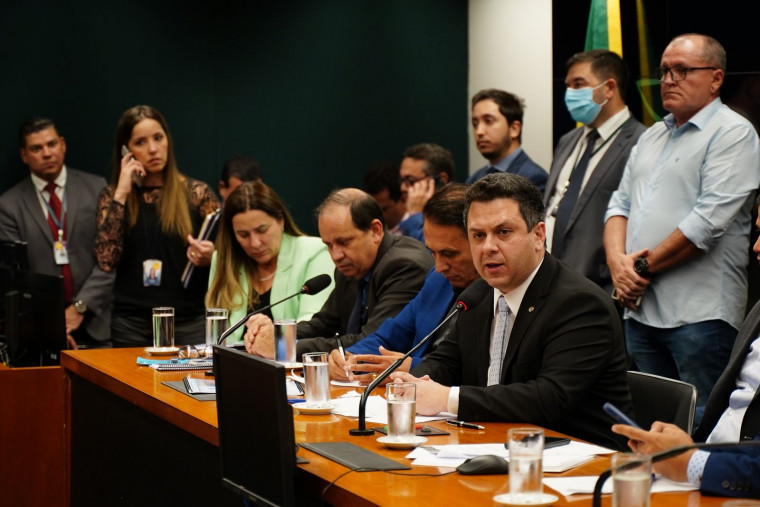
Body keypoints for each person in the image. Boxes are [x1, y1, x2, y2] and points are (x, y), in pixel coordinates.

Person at [392, 173, 632, 451]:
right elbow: (447, 362)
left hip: (581, 458)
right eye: (478, 236)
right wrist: (413, 384)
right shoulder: (478, 294)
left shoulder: (580, 304)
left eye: (503, 233)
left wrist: (446, 399)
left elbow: (547, 398)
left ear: (538, 235)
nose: (488, 247)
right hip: (498, 443)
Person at [604, 34, 760, 420]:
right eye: (664, 71)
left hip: (701, 317)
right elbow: (619, 203)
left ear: (716, 79)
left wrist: (638, 269)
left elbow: (707, 223)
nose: (668, 80)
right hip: (639, 311)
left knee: (699, 429)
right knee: (645, 427)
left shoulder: (734, 133)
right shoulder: (654, 134)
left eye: (682, 70)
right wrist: (617, 265)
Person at [611, 199, 760, 498]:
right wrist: (675, 436)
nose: (755, 247)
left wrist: (692, 463)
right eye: (757, 232)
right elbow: (736, 408)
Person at [242, 188, 433, 359]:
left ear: (375, 230)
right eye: (329, 245)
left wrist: (285, 348)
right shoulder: (350, 267)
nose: (336, 255)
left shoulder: (404, 266)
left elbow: (372, 343)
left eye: (344, 242)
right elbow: (323, 324)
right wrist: (277, 334)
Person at [95, 105, 221, 347]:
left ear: (168, 141)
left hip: (187, 320)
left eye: (158, 138)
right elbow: (105, 260)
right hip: (130, 322)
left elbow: (229, 254)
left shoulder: (196, 193)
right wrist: (121, 192)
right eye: (140, 142)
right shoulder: (112, 197)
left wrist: (211, 256)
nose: (153, 149)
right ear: (126, 150)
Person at [329, 184, 480, 382]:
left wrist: (411, 367)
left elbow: (479, 373)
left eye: (449, 254)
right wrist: (349, 358)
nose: (439, 266)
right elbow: (389, 335)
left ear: (479, 241)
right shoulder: (438, 279)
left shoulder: (498, 289)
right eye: (433, 252)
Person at [0, 117, 114, 349]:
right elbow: (17, 276)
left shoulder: (97, 188)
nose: (46, 153)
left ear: (62, 144)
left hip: (98, 321)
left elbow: (111, 258)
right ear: (24, 155)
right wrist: (54, 323)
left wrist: (80, 307)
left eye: (52, 144)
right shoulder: (8, 205)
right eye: (36, 148)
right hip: (41, 328)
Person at [544, 50, 646, 291]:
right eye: (568, 85)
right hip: (549, 279)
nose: (570, 93)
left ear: (609, 87)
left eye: (579, 84)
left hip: (600, 285)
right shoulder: (568, 140)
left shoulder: (642, 141)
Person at [206, 181, 334, 343]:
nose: (255, 243)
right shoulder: (222, 260)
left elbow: (316, 326)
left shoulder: (314, 252)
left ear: (280, 220)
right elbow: (217, 336)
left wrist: (275, 331)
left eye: (262, 230)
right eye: (243, 235)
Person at [465, 89, 547, 194]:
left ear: (514, 129)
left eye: (488, 121)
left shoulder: (533, 179)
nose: (479, 131)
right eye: (475, 123)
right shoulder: (474, 180)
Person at [397, 143, 455, 242]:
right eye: (402, 180)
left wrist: (415, 216)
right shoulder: (408, 214)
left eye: (410, 180)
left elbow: (429, 255)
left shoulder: (457, 216)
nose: (402, 188)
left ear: (441, 180)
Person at [362, 161, 406, 235]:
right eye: (372, 210)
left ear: (402, 198)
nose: (376, 216)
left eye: (383, 209)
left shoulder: (420, 228)